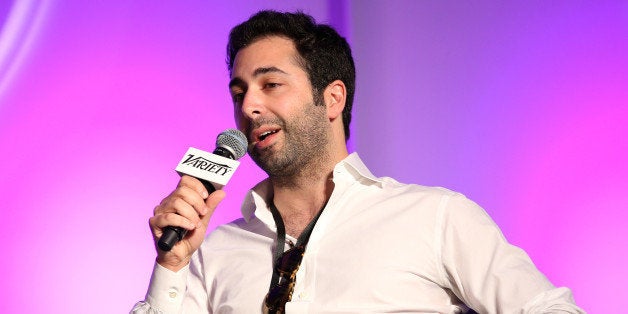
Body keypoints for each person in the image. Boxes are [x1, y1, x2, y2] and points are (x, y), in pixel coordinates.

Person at [132, 10, 583, 313]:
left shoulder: (434, 217)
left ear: (331, 99)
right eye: (239, 91)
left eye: (270, 84)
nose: (248, 105)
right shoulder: (212, 253)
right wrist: (172, 266)